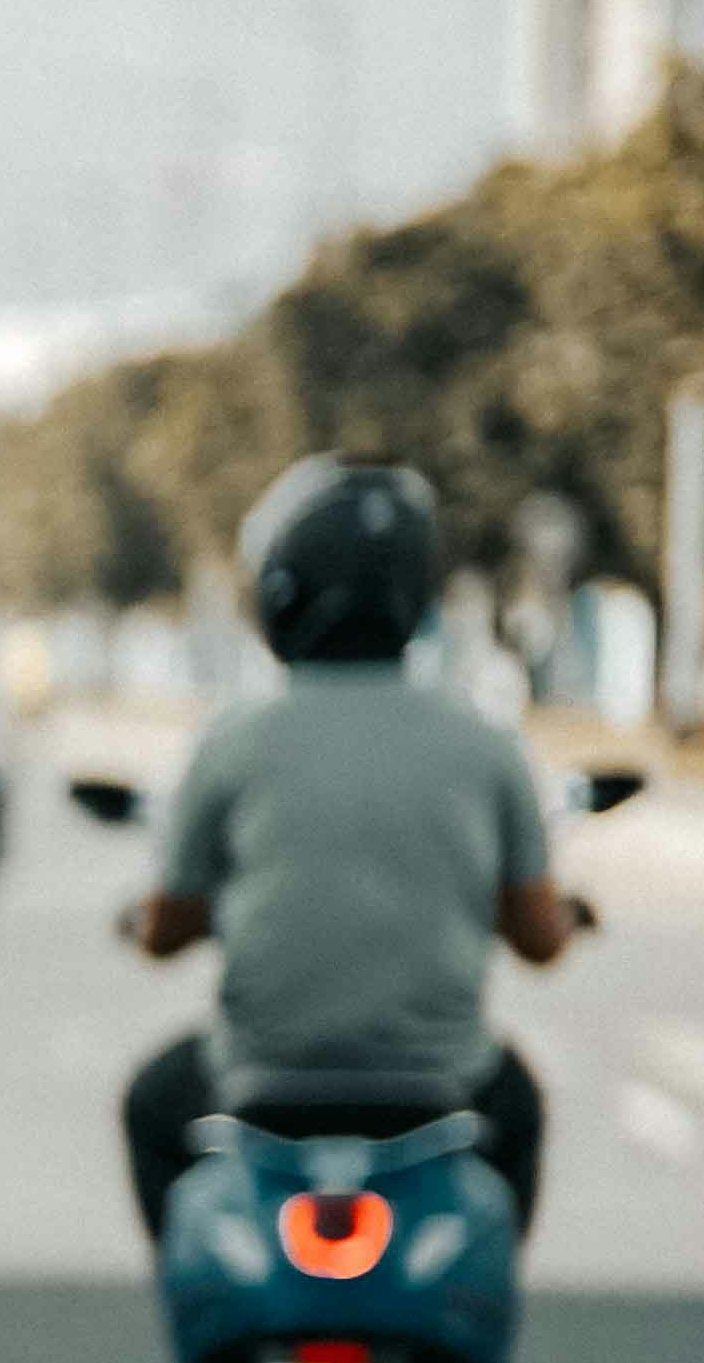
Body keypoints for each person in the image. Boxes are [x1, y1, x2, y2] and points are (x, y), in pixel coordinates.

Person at [115, 458, 587, 1237]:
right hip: (447, 1083)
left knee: (150, 1106)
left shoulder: (232, 740)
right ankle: (477, 1334)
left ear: (280, 590)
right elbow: (540, 939)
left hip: (257, 1080)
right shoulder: (486, 742)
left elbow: (166, 930)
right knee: (522, 1110)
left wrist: (165, 920)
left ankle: (202, 1337)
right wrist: (563, 919)